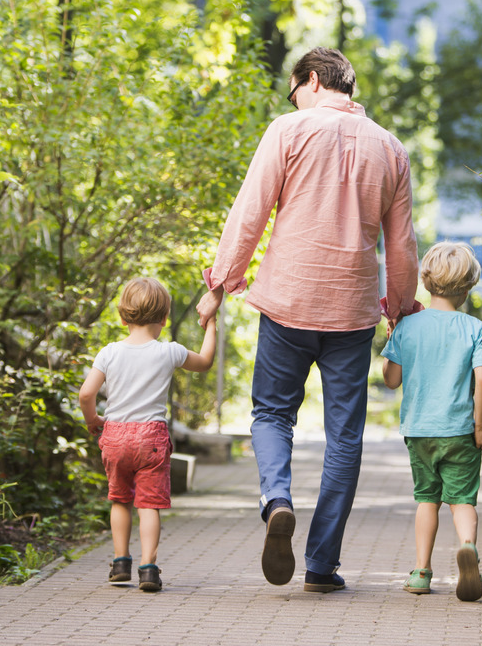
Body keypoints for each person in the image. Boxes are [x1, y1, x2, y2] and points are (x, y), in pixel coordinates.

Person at [197, 47, 419, 593]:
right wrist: (399, 309)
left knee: (272, 414)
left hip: (288, 300)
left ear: (312, 80)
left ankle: (277, 500)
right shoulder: (391, 149)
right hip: (352, 312)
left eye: (294, 89)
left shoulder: (288, 130)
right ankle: (322, 566)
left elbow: (251, 210)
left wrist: (221, 286)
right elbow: (403, 244)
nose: (292, 100)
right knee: (345, 438)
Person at [79, 277, 217, 592]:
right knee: (149, 504)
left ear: (122, 317)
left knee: (119, 500)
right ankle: (149, 569)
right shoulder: (169, 352)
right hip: (151, 439)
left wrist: (93, 420)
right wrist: (210, 324)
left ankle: (119, 563)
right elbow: (205, 362)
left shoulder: (109, 352)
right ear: (165, 318)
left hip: (115, 435)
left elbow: (86, 394)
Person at [380, 242, 482, 602]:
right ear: (466, 288)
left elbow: (391, 379)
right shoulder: (474, 329)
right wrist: (481, 426)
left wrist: (392, 339)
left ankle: (421, 572)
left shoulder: (408, 327)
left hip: (419, 432)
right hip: (461, 430)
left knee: (427, 500)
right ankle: (467, 548)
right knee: (463, 500)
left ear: (427, 282)